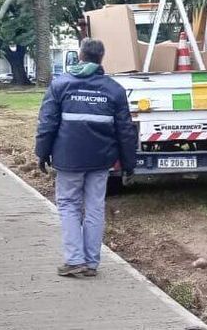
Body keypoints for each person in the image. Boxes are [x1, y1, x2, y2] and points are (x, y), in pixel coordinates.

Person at [35, 38, 138, 277]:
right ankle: (91, 263)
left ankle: (74, 260)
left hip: (68, 158)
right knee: (94, 207)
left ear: (80, 56)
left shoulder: (61, 85)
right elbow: (125, 130)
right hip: (101, 159)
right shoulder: (114, 89)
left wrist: (42, 152)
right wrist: (128, 164)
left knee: (69, 205)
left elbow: (47, 123)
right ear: (101, 58)